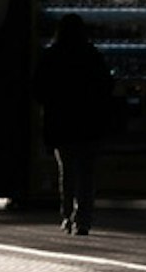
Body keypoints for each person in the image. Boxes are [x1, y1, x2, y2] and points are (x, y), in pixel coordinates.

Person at [32, 14, 113, 235]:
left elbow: (38, 89)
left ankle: (67, 215)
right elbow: (106, 86)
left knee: (66, 172)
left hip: (61, 123)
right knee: (87, 173)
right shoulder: (92, 55)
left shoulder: (51, 56)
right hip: (89, 122)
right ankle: (84, 219)